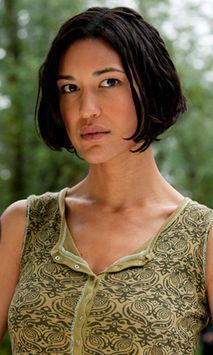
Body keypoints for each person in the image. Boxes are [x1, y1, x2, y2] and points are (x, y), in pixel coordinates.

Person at [0, 6, 212, 354]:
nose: (86, 109)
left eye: (109, 82)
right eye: (70, 88)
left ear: (150, 87)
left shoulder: (204, 239)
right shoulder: (24, 225)